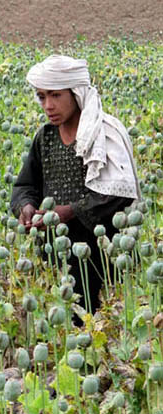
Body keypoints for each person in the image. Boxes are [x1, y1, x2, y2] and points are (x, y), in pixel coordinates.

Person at [11, 55, 140, 314]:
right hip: (55, 257)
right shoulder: (45, 137)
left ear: (76, 93)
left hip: (102, 257)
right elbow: (25, 184)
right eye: (42, 96)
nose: (48, 105)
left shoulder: (104, 134)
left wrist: (68, 212)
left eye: (56, 96)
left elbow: (118, 195)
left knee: (101, 328)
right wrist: (25, 207)